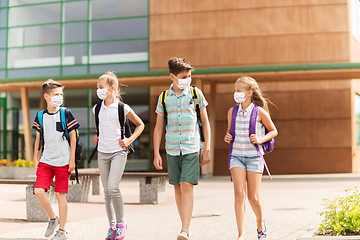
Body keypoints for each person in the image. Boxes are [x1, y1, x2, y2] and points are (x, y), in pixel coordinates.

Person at [153, 57, 211, 240]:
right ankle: (184, 226)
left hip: (192, 146)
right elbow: (158, 127)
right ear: (172, 76)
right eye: (184, 76)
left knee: (187, 185)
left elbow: (205, 122)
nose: (188, 79)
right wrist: (156, 153)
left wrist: (207, 148)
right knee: (177, 187)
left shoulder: (195, 94)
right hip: (171, 148)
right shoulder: (163, 98)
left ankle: (185, 229)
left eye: (190, 75)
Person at [92, 72, 144, 240]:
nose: (98, 90)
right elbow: (102, 128)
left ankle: (121, 224)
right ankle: (112, 227)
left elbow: (140, 125)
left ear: (111, 88)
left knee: (113, 187)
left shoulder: (123, 108)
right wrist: (96, 137)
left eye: (101, 87)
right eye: (97, 87)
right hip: (102, 152)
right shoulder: (97, 108)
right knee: (107, 191)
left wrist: (129, 140)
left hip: (118, 152)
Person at [224, 76, 278, 240]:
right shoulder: (232, 112)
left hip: (254, 157)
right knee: (239, 194)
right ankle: (241, 234)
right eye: (235, 90)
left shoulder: (259, 112)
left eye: (238, 90)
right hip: (237, 157)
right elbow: (229, 133)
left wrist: (261, 139)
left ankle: (260, 223)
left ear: (248, 93)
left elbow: (273, 131)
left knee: (253, 198)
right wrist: (227, 137)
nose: (236, 93)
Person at [32, 79, 80, 240]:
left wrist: (72, 159)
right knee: (38, 191)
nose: (60, 97)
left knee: (60, 195)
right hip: (46, 160)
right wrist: (34, 158)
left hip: (64, 161)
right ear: (46, 96)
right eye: (56, 94)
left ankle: (62, 231)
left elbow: (73, 137)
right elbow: (38, 139)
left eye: (61, 94)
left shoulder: (65, 113)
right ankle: (53, 219)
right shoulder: (40, 115)